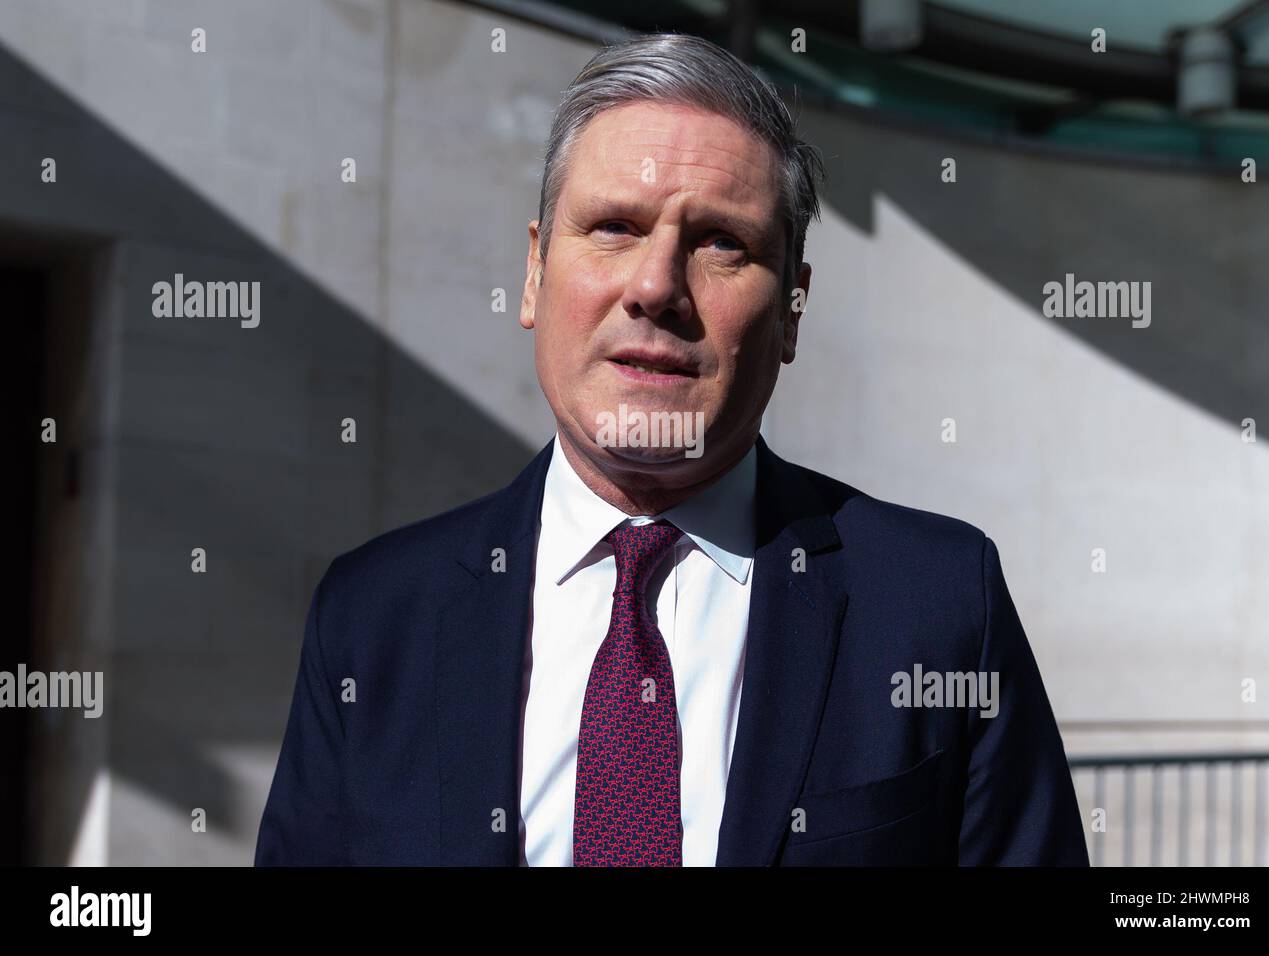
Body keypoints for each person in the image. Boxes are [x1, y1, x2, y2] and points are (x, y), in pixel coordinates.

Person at [255, 31, 1088, 867]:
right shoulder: (371, 616)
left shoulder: (939, 606)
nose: (655, 287)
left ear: (792, 309)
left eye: (722, 242)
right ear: (536, 272)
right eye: (615, 226)